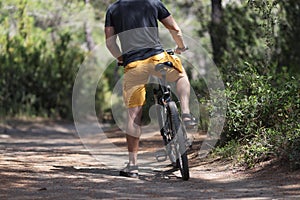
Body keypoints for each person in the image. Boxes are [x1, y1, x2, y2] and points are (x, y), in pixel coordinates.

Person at [104, 0, 196, 178]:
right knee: (181, 75)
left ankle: (133, 165)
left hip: (134, 64)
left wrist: (121, 58)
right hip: (158, 58)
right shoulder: (153, 2)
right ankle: (185, 112)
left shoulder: (113, 9)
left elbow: (110, 42)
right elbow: (175, 29)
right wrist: (181, 47)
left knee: (134, 115)